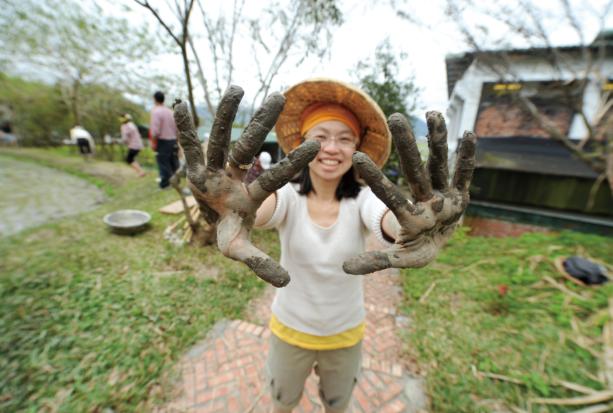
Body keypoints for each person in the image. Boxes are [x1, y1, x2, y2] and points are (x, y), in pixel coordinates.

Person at [173, 78, 476, 413]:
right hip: (289, 330)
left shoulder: (363, 199)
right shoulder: (287, 195)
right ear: (302, 144)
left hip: (345, 334)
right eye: (320, 137)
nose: (332, 148)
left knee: (337, 406)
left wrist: (413, 225)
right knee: (281, 403)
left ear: (358, 147)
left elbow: (387, 218)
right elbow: (261, 207)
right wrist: (235, 207)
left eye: (345, 138)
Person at [150, 91, 179, 188]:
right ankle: (176, 181)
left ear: (154, 99)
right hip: (173, 140)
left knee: (163, 162)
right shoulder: (170, 111)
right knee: (173, 161)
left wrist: (153, 142)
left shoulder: (156, 111)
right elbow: (176, 128)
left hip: (162, 141)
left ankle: (166, 184)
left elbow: (155, 131)